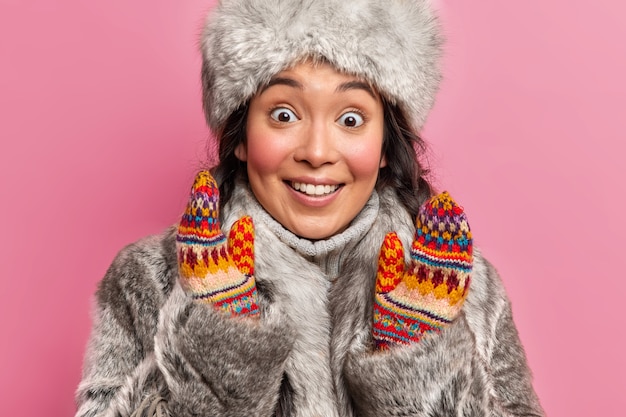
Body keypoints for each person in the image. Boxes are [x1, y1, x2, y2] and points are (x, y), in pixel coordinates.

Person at [75, 0, 545, 416]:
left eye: (351, 118)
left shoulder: (466, 288)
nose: (317, 151)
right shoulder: (147, 278)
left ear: (385, 144)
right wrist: (221, 344)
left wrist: (419, 362)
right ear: (240, 136)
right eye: (284, 114)